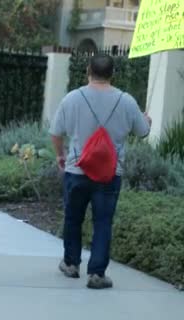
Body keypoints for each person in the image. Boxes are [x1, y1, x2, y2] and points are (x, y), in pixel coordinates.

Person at [50, 54, 151, 289]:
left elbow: (56, 132)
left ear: (88, 70)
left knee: (73, 218)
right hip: (109, 174)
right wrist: (147, 120)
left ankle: (71, 264)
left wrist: (60, 154)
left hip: (77, 170)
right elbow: (143, 131)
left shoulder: (72, 98)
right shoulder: (126, 101)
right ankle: (97, 273)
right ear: (112, 73)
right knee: (103, 221)